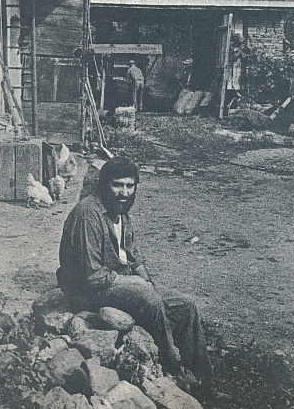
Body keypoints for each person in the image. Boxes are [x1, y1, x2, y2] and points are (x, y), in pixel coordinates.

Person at [57, 156, 212, 385]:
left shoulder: (120, 211)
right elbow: (91, 276)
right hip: (87, 292)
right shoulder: (88, 214)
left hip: (115, 282)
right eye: (117, 185)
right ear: (104, 185)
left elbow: (134, 258)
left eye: (130, 186)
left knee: (185, 304)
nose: (124, 192)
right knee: (148, 299)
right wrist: (138, 285)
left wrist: (147, 282)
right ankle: (174, 365)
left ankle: (203, 378)